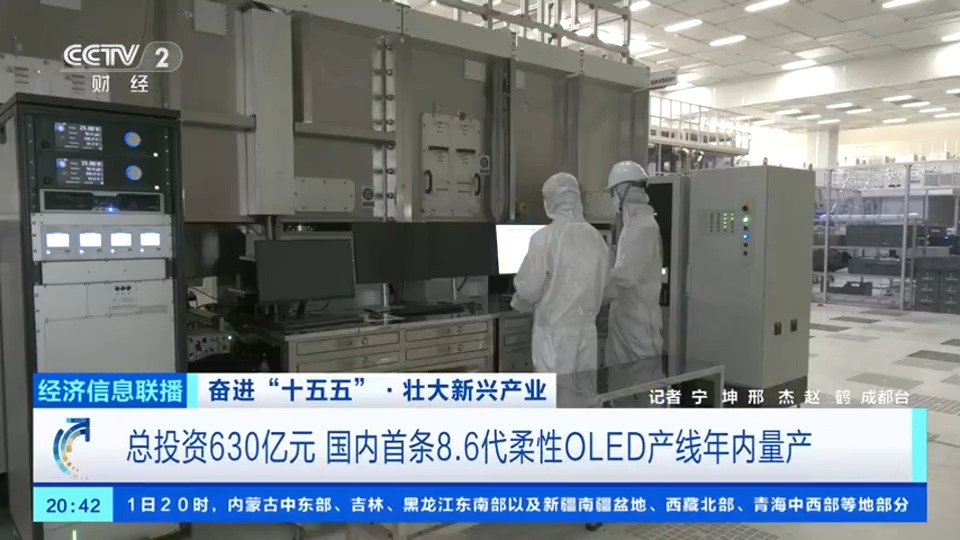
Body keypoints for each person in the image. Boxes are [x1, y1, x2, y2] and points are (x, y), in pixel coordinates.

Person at [511, 172, 610, 408]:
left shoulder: (544, 238)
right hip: (586, 335)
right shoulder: (595, 238)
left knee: (554, 404)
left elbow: (528, 289)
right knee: (583, 401)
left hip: (554, 338)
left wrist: (518, 303)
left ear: (550, 201)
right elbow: (606, 285)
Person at [603, 161, 665, 393]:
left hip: (639, 324)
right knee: (622, 387)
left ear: (623, 190)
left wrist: (590, 283)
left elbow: (625, 277)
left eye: (613, 192)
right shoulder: (632, 225)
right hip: (625, 321)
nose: (612, 198)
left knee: (644, 387)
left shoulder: (644, 227)